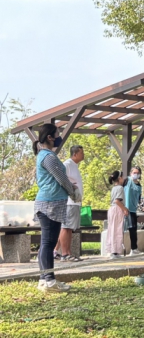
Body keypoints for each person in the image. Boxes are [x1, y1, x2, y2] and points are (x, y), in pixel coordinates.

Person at [33, 124, 80, 292]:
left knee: (47, 242)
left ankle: (44, 279)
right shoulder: (48, 157)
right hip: (49, 204)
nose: (59, 137)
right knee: (48, 242)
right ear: (50, 137)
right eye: (57, 134)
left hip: (50, 203)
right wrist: (73, 192)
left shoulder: (44, 155)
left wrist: (70, 189)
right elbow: (61, 178)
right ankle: (49, 281)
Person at [55, 145, 85, 262]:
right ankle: (64, 253)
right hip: (69, 202)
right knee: (65, 227)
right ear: (75, 154)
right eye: (81, 153)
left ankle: (68, 253)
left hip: (75, 202)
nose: (83, 155)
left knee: (70, 228)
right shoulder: (67, 164)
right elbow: (61, 180)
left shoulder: (74, 166)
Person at [106, 171, 130, 259]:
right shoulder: (120, 188)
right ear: (119, 178)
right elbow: (117, 201)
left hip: (112, 209)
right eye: (122, 177)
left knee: (112, 230)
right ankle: (114, 251)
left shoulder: (114, 188)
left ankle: (114, 251)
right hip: (117, 210)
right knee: (117, 230)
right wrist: (125, 209)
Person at [124, 166, 143, 256]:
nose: (136, 174)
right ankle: (114, 250)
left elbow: (139, 198)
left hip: (133, 209)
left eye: (137, 173)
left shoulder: (139, 186)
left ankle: (134, 249)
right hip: (126, 208)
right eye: (134, 173)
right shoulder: (127, 181)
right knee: (126, 229)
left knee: (133, 229)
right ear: (130, 173)